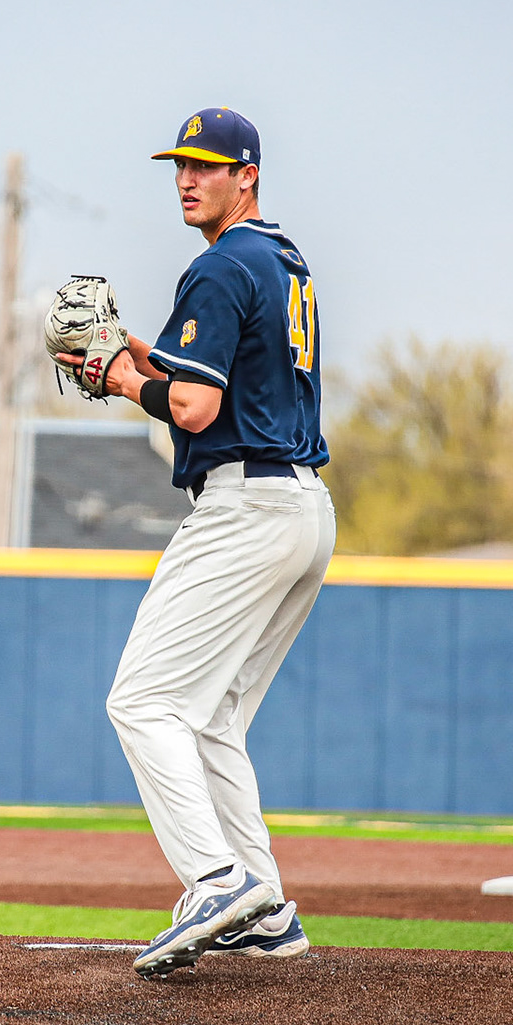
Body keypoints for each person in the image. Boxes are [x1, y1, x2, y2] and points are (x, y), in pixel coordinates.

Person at [74, 107, 334, 979]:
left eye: (207, 167)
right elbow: (216, 380)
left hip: (244, 509)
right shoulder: (283, 259)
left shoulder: (219, 265)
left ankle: (214, 880)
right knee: (215, 716)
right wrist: (145, 359)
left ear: (246, 176)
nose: (188, 179)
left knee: (142, 702)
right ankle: (264, 906)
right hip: (303, 509)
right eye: (181, 166)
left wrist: (117, 377)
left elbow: (194, 409)